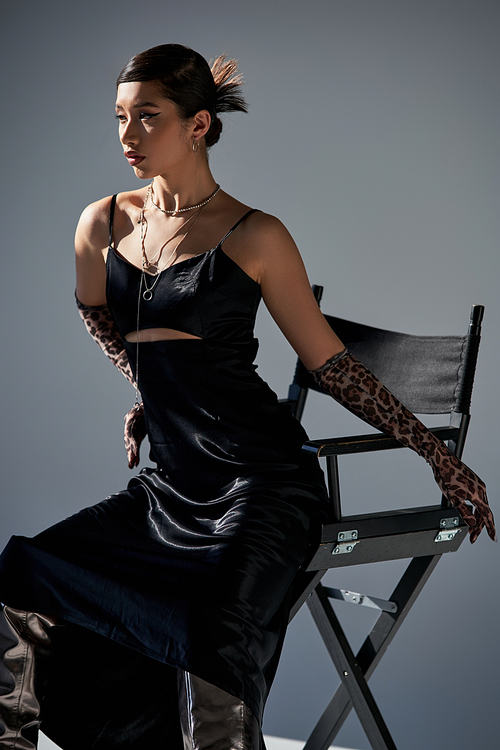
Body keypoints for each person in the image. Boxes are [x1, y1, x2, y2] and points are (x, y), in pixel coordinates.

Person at [0, 43, 495, 750]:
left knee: (216, 628)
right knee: (25, 571)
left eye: (149, 117)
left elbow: (332, 367)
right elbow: (98, 313)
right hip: (170, 487)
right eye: (119, 117)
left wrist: (435, 455)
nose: (128, 135)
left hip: (263, 488)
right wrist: (154, 388)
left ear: (198, 124)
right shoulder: (102, 224)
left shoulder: (254, 235)